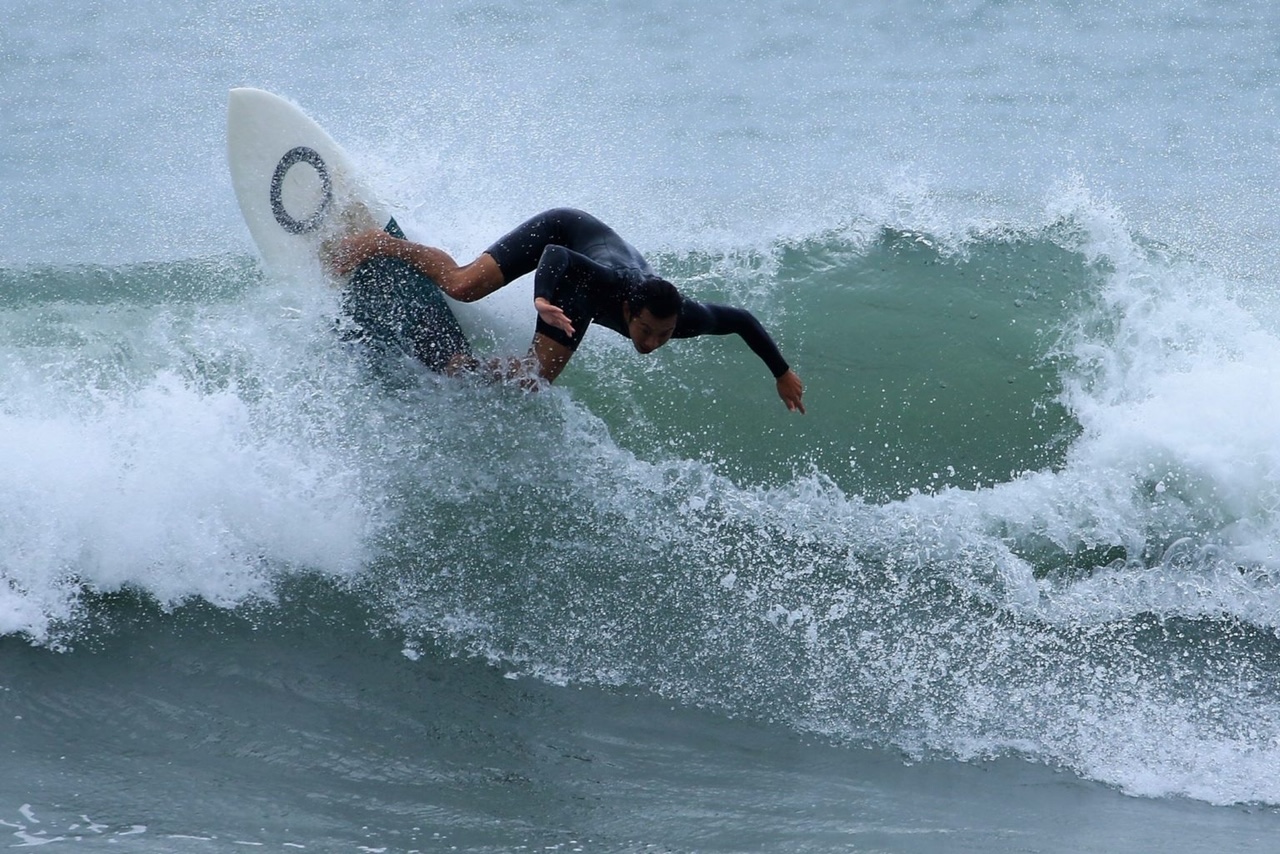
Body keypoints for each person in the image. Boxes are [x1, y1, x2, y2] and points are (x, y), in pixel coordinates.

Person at [331, 207, 805, 413]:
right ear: (628, 309)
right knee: (463, 286)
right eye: (645, 332)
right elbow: (556, 257)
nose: (652, 343)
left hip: (579, 281)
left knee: (528, 381)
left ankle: (458, 364)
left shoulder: (680, 317)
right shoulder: (612, 284)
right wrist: (541, 300)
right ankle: (381, 244)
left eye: (663, 335)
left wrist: (781, 372)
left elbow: (741, 320)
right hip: (563, 237)